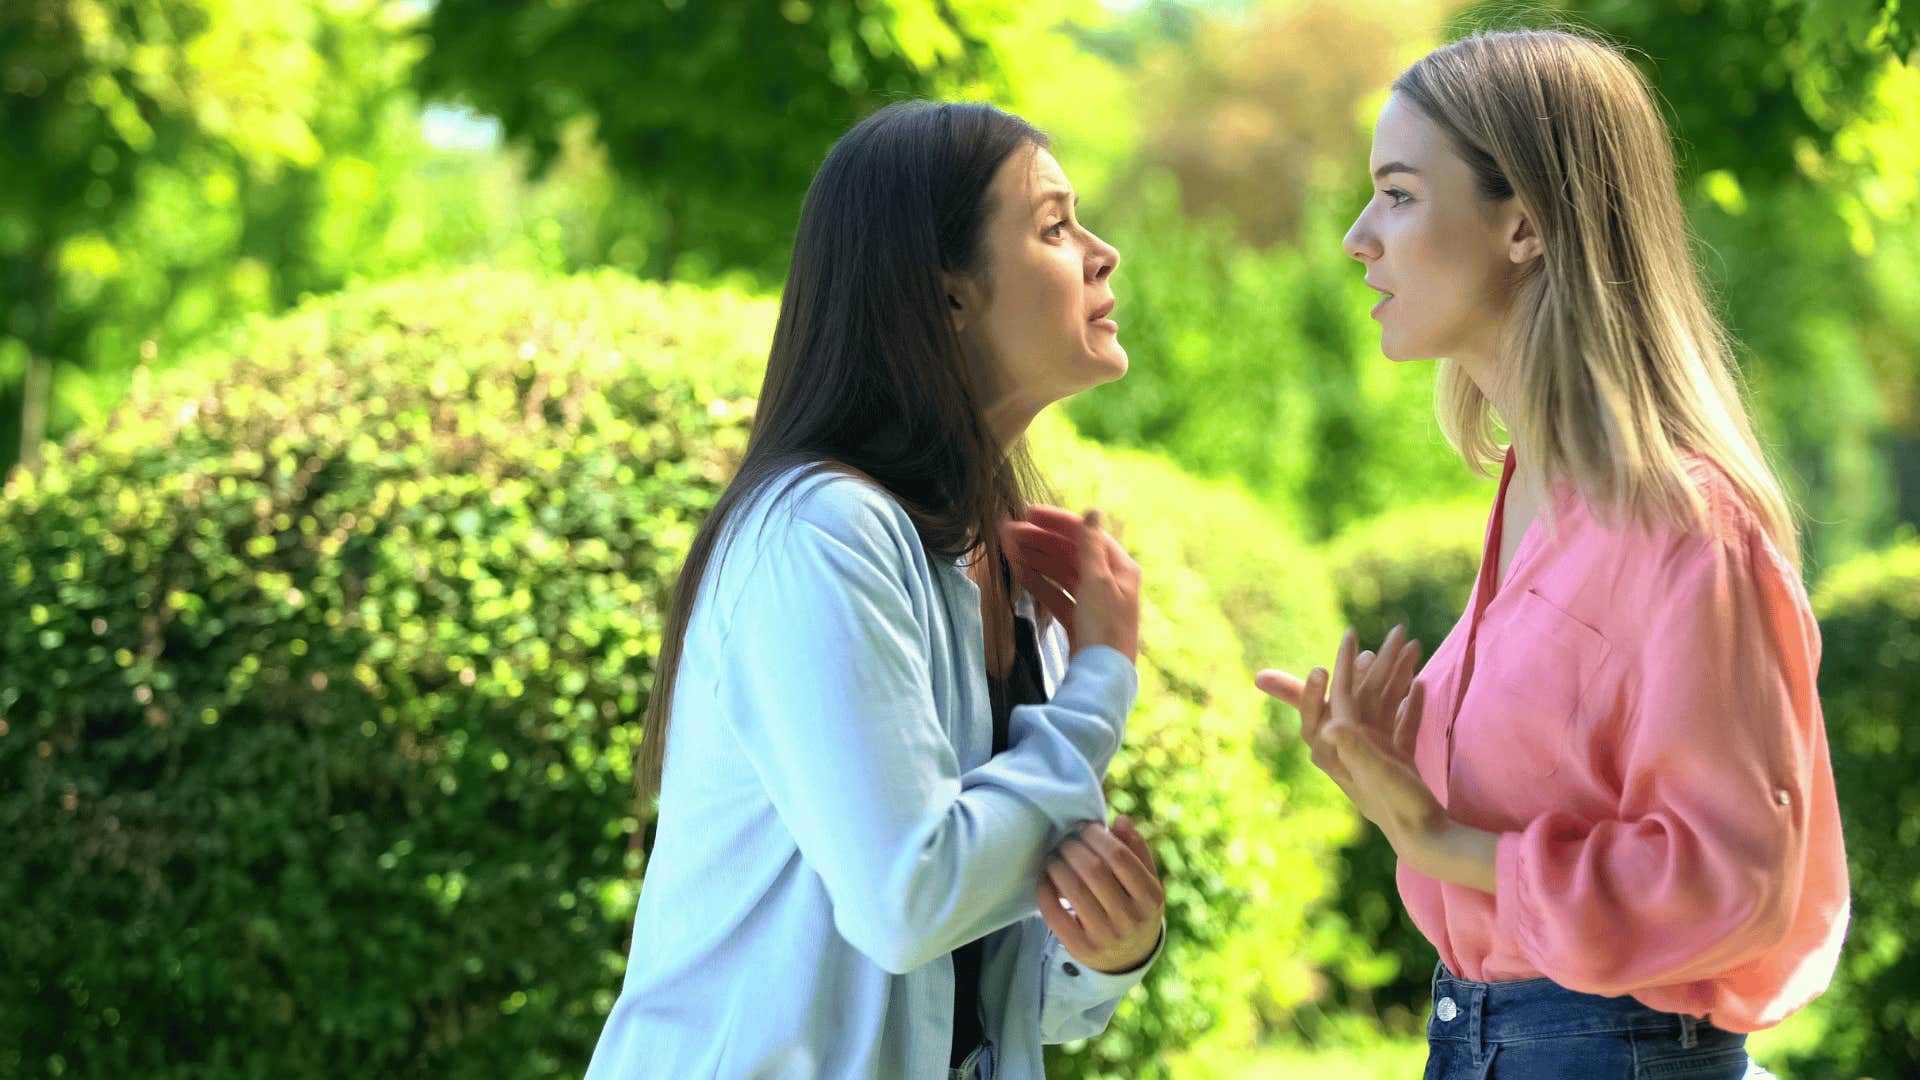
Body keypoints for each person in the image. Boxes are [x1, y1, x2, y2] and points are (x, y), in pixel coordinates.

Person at [1257, 28, 1849, 1079]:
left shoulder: (1687, 524)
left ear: (1524, 222)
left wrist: (1440, 840)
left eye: (1397, 194)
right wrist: (1399, 774)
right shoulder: (1527, 488)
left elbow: (1731, 879)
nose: (1357, 237)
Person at [585, 101, 1166, 1080]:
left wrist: (1111, 948)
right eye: (1055, 227)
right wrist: (1102, 678)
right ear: (946, 297)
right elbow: (913, 900)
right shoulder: (821, 533)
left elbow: (1006, 988)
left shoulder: (1012, 575)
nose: (1103, 254)